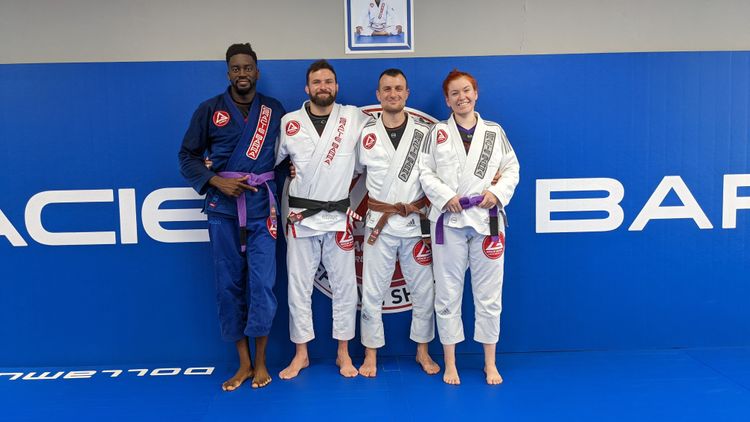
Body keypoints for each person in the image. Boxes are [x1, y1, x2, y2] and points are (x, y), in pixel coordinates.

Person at [178, 43, 285, 391]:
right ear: (229, 73)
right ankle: (243, 363)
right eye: (236, 68)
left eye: (248, 68)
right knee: (229, 285)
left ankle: (263, 362)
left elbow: (287, 155)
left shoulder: (273, 110)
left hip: (261, 210)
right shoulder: (209, 110)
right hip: (223, 210)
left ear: (256, 71)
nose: (242, 74)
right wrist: (215, 181)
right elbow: (187, 156)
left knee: (263, 285)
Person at [419, 69, 520, 385]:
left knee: (489, 295)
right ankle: (450, 362)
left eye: (466, 91)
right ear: (447, 101)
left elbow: (512, 169)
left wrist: (496, 193)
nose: (461, 97)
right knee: (447, 294)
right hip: (449, 221)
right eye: (454, 93)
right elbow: (425, 173)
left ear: (475, 94)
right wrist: (446, 196)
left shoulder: (494, 132)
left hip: (487, 221)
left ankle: (490, 362)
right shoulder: (437, 134)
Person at [275, 60, 370, 379]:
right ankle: (301, 353)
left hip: (339, 217)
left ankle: (343, 353)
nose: (323, 86)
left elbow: (382, 147)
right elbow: (267, 163)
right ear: (307, 88)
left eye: (328, 81)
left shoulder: (353, 117)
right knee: (298, 287)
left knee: (346, 288)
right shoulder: (290, 122)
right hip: (301, 217)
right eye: (317, 82)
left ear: (337, 86)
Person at [356, 69, 439, 377]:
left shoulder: (424, 133)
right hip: (379, 222)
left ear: (407, 94)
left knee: (423, 292)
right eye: (387, 89)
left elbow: (445, 173)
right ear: (378, 95)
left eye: (399, 88)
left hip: (415, 223)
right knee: (373, 292)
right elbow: (342, 171)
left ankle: (422, 351)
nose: (393, 93)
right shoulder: (365, 134)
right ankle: (370, 354)